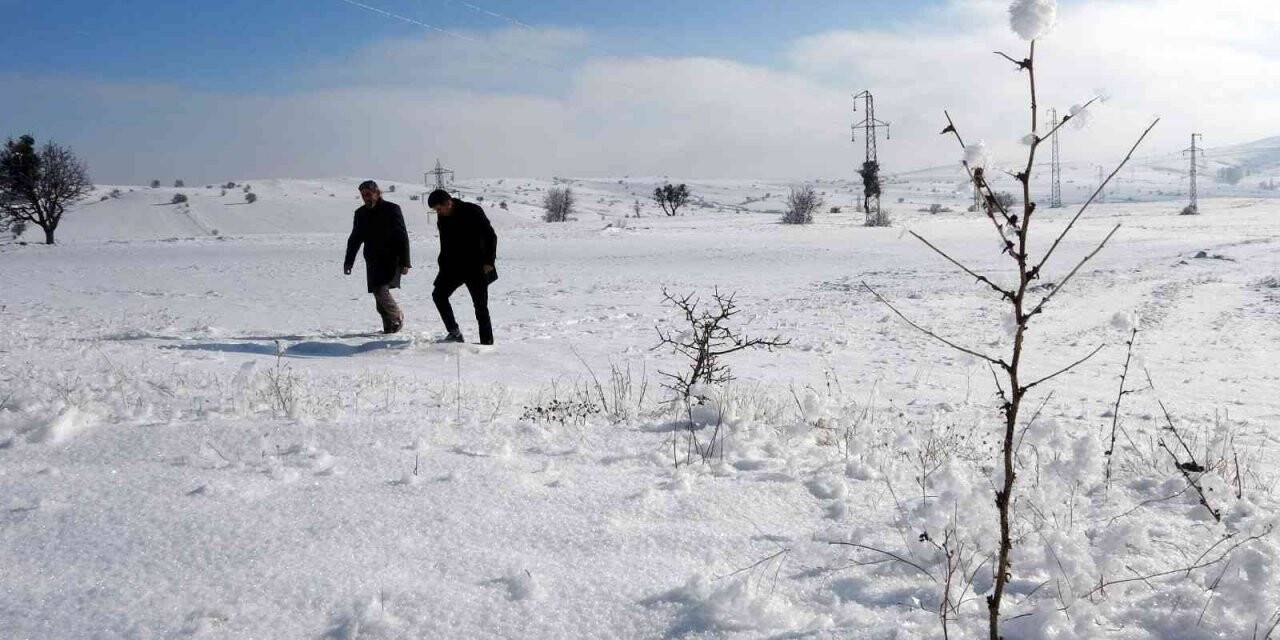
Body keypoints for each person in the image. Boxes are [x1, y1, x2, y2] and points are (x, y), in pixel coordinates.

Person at [427, 189, 497, 344]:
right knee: (438, 295)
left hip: (476, 266)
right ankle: (454, 333)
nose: (438, 212)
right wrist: (442, 266)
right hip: (453, 268)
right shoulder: (442, 217)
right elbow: (445, 244)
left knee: (480, 307)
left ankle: (487, 343)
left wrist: (489, 262)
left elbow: (490, 236)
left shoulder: (472, 210)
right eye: (435, 210)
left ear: (448, 202)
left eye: (439, 208)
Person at [344, 180, 411, 334]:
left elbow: (402, 236)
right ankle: (389, 329)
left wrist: (405, 261)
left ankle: (396, 316)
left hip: (391, 258)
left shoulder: (392, 209)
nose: (366, 197)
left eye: (368, 194)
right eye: (363, 195)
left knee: (380, 290)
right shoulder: (360, 213)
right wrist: (349, 262)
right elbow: (355, 239)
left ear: (377, 192)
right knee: (378, 296)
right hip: (372, 260)